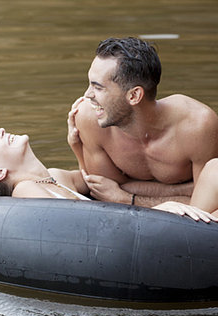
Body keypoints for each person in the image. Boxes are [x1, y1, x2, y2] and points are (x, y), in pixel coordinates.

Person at [0, 127, 218, 252]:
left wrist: (78, 147)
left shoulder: (54, 177)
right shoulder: (25, 192)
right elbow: (86, 226)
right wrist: (159, 211)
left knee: (215, 170)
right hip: (150, 235)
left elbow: (96, 181)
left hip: (150, 225)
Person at [69, 37, 218, 207]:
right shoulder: (89, 118)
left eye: (98, 87)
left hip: (190, 221)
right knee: (52, 177)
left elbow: (206, 203)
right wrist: (184, 189)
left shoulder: (197, 125)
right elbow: (104, 191)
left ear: (134, 96)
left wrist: (129, 198)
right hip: (157, 212)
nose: (87, 95)